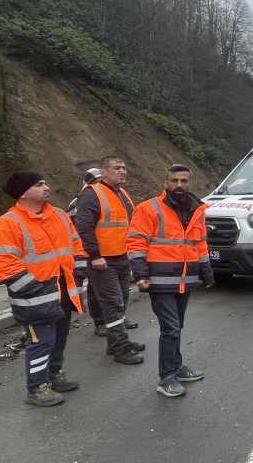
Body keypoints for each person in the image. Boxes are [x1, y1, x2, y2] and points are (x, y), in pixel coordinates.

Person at [0, 172, 86, 406]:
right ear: (23, 192)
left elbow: (76, 244)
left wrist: (80, 270)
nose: (46, 187)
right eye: (39, 184)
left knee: (59, 338)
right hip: (34, 297)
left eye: (45, 183)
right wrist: (33, 287)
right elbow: (3, 263)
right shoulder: (7, 223)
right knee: (41, 341)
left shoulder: (60, 215)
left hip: (63, 291)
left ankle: (54, 374)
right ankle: (37, 387)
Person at [127, 164, 214, 397]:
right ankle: (167, 377)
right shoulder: (148, 209)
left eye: (184, 181)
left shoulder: (197, 210)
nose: (179, 185)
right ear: (165, 182)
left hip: (185, 280)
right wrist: (141, 274)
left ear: (189, 183)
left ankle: (177, 367)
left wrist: (206, 270)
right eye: (174, 180)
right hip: (160, 281)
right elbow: (136, 244)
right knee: (171, 328)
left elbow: (200, 243)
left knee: (177, 327)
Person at [72, 156, 144, 365]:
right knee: (113, 304)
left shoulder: (122, 194)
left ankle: (115, 344)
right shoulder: (91, 195)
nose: (122, 171)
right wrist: (94, 256)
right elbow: (84, 228)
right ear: (103, 172)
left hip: (123, 257)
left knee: (121, 300)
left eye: (124, 167)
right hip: (103, 261)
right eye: (116, 168)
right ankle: (121, 348)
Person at [68, 167, 104, 323]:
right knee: (94, 287)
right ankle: (98, 320)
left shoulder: (108, 198)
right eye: (96, 182)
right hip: (85, 251)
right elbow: (80, 228)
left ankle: (114, 317)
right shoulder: (81, 200)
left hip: (103, 250)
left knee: (106, 287)